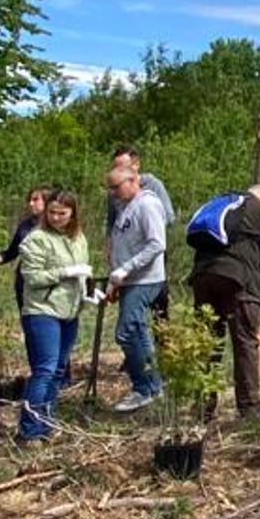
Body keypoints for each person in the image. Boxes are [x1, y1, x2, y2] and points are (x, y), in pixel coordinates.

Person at [188, 184, 260, 417]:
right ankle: (249, 406)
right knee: (245, 342)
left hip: (202, 277)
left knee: (207, 342)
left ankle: (203, 405)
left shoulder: (221, 203)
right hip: (238, 280)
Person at [14, 189, 91, 445]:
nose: (57, 217)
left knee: (59, 370)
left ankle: (47, 423)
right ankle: (29, 430)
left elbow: (83, 274)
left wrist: (89, 292)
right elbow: (32, 277)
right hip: (42, 310)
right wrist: (64, 272)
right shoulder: (36, 239)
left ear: (73, 213)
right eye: (52, 213)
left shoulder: (78, 238)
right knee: (44, 370)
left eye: (63, 213)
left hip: (70, 311)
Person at [105, 164, 169, 412]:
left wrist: (127, 268)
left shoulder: (148, 205)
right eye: (110, 188)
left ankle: (144, 387)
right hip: (130, 280)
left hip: (145, 279)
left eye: (116, 187)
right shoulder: (126, 207)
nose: (112, 192)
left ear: (133, 181)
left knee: (126, 331)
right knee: (139, 332)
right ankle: (152, 386)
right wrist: (116, 277)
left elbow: (156, 244)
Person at [104, 145, 175, 316]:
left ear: (136, 165)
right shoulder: (114, 191)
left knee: (158, 307)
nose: (119, 170)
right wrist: (110, 248)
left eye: (124, 166)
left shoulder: (152, 186)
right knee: (130, 315)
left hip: (148, 250)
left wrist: (140, 228)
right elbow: (111, 222)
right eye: (116, 167)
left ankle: (162, 340)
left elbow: (168, 217)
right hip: (125, 253)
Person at [0, 184, 57, 308]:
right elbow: (10, 253)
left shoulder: (57, 227)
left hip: (49, 286)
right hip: (24, 284)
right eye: (29, 200)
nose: (31, 204)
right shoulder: (25, 225)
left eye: (35, 200)